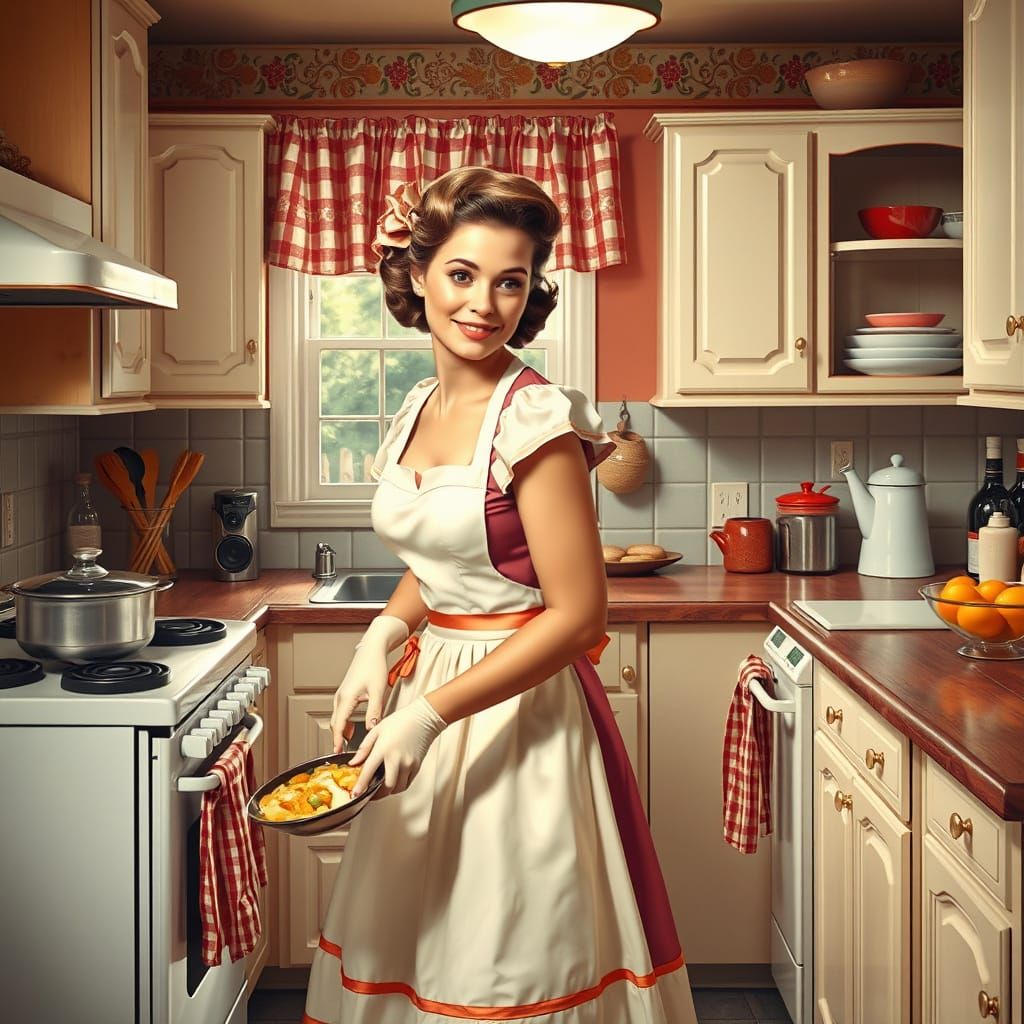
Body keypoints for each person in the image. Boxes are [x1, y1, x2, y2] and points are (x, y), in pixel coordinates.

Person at [304, 166, 698, 1024]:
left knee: (503, 954)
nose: (485, 303)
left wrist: (430, 712)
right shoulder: (415, 407)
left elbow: (577, 615)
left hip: (516, 715)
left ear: (531, 290)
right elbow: (448, 563)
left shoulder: (537, 421)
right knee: (416, 941)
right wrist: (382, 635)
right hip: (431, 694)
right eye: (462, 273)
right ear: (416, 274)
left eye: (510, 280)